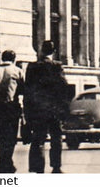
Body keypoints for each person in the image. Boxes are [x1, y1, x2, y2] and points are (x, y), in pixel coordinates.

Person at [24, 40, 71, 174]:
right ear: (54, 51)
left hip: (38, 110)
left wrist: (27, 111)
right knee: (56, 138)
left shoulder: (32, 67)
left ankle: (37, 168)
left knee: (38, 138)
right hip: (54, 110)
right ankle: (56, 166)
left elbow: (28, 90)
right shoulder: (57, 66)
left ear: (41, 50)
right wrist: (64, 108)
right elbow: (64, 88)